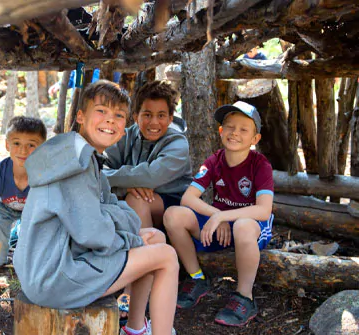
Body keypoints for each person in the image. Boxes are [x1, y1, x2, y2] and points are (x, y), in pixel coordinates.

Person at [15, 81, 179, 335]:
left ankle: (135, 328)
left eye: (118, 115)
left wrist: (114, 218)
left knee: (154, 237)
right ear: (81, 116)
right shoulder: (76, 163)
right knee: (166, 256)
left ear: (126, 127)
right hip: (54, 277)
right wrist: (120, 228)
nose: (110, 120)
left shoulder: (83, 154)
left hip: (51, 267)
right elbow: (93, 233)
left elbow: (112, 208)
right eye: (101, 111)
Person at [162, 101, 274, 327]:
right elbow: (188, 198)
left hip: (250, 227)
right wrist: (217, 215)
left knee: (242, 225)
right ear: (221, 131)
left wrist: (223, 217)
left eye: (244, 129)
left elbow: (263, 210)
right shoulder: (214, 160)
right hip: (219, 224)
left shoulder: (260, 165)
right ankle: (197, 278)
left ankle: (244, 297)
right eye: (229, 127)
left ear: (255, 139)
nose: (235, 133)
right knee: (173, 215)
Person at [103, 80, 192, 230]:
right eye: (147, 115)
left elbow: (151, 177)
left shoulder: (178, 143)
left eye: (161, 115)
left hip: (175, 206)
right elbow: (98, 170)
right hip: (135, 201)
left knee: (136, 198)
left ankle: (149, 250)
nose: (154, 122)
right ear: (136, 116)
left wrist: (121, 183)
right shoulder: (125, 136)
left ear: (171, 118)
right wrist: (123, 188)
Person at [0, 116, 46, 294]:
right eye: (17, 143)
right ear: (7, 145)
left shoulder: (46, 175)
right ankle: (8, 233)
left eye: (31, 145)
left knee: (31, 258)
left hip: (33, 212)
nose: (23, 150)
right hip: (4, 209)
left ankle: (19, 233)